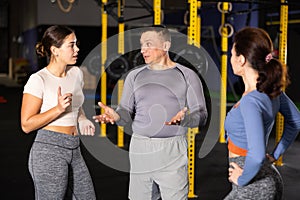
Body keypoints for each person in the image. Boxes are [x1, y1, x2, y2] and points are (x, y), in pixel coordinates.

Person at [93, 25, 208, 200]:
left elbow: (202, 115)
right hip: (140, 147)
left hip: (172, 149)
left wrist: (185, 119)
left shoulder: (187, 75)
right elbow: (124, 114)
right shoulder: (134, 76)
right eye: (141, 44)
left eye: (148, 44)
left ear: (166, 46)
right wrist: (115, 116)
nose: (143, 50)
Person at [21, 25, 96, 199]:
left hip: (74, 147)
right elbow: (26, 125)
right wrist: (58, 109)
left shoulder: (76, 73)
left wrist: (82, 118)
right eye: (71, 45)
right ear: (55, 50)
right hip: (49, 150)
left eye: (76, 44)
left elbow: (76, 106)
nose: (77, 49)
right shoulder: (39, 79)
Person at [224, 27, 300, 200]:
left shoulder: (251, 101)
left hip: (252, 182)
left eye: (232, 54)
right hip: (265, 177)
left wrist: (242, 179)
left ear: (241, 59)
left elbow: (257, 155)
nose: (230, 59)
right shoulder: (271, 91)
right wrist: (274, 155)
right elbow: (296, 121)